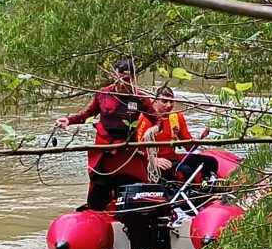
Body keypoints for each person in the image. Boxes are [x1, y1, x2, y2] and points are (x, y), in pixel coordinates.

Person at [55, 59, 152, 211]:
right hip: (104, 149)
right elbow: (89, 113)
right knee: (97, 194)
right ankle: (97, 215)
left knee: (135, 192)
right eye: (119, 78)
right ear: (114, 76)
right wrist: (69, 120)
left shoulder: (140, 98)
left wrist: (152, 130)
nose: (123, 83)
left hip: (128, 151)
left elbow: (157, 119)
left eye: (127, 79)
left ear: (133, 78)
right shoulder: (103, 94)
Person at [136, 86, 217, 182]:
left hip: (173, 159)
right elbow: (138, 149)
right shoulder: (146, 119)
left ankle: (207, 186)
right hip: (154, 162)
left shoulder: (177, 117)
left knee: (211, 162)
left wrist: (200, 137)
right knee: (186, 171)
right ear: (155, 101)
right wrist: (154, 160)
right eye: (164, 101)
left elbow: (188, 147)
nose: (169, 105)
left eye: (171, 101)